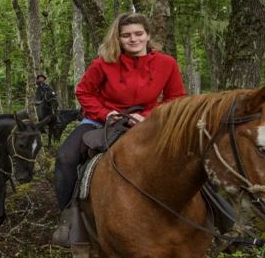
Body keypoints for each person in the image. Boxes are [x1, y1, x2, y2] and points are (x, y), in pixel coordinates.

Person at [53, 13, 186, 243]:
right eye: (126, 35)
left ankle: (217, 217)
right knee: (65, 156)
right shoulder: (103, 63)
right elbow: (84, 91)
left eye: (138, 34)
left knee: (186, 153)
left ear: (148, 35)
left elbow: (176, 97)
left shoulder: (167, 64)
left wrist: (147, 116)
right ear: (118, 38)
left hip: (147, 121)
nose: (133, 39)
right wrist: (107, 114)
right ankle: (67, 216)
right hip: (102, 120)